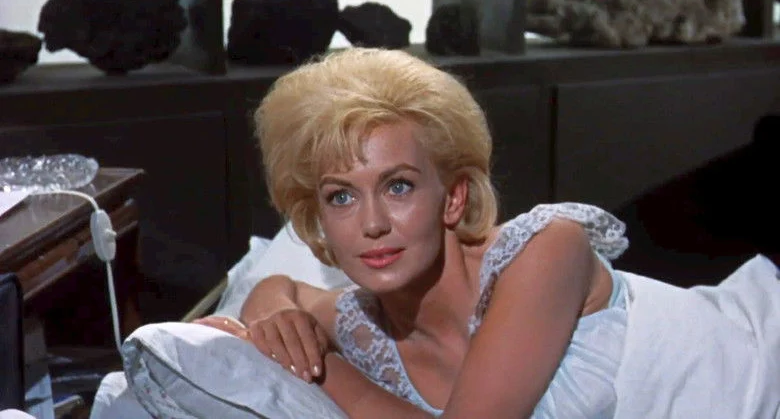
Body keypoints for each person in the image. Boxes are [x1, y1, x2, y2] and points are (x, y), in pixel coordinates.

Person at [195, 47, 780, 418]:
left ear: (453, 198)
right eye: (341, 197)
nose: (372, 223)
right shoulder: (358, 322)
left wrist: (320, 370)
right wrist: (274, 314)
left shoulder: (546, 249)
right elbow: (279, 290)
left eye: (398, 186)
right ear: (317, 218)